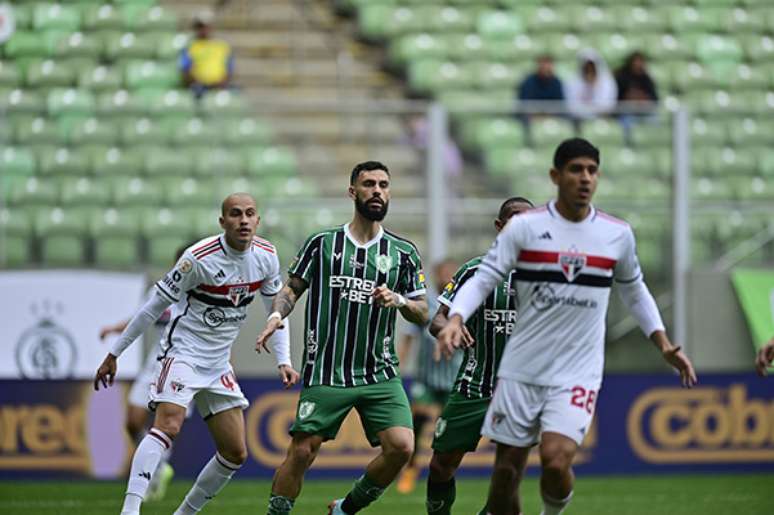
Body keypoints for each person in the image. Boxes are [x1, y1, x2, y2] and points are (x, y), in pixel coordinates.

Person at [437, 138, 697, 515]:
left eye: (592, 170)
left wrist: (663, 343)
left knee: (556, 462)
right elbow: (484, 277)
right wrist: (456, 317)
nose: (585, 178)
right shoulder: (525, 229)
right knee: (506, 474)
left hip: (577, 371)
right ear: (556, 176)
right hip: (521, 370)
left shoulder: (615, 234)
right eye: (576, 169)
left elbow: (635, 290)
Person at [94, 193, 300, 515]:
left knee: (235, 453)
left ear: (258, 221)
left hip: (219, 364)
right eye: (235, 214)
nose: (243, 220)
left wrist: (283, 360)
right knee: (168, 426)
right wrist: (114, 353)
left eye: (249, 214)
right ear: (223, 221)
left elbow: (276, 313)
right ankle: (130, 510)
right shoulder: (198, 258)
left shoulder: (266, 256)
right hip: (184, 353)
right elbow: (151, 310)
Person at [256, 161, 429, 515]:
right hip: (327, 369)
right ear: (353, 192)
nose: (377, 191)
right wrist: (276, 315)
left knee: (402, 447)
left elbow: (423, 311)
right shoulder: (323, 243)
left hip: (379, 371)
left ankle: (344, 510)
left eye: (383, 184)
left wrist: (397, 300)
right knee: (303, 450)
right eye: (369, 184)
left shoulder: (403, 253)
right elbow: (291, 288)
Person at [424, 196, 534, 515]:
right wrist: (449, 329)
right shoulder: (475, 270)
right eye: (515, 219)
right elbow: (438, 319)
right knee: (441, 465)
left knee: (508, 471)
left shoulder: (547, 275)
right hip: (474, 385)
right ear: (499, 226)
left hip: (520, 390)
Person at [98, 242, 195, 501]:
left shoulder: (206, 294)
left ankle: (153, 472)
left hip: (185, 366)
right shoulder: (162, 290)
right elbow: (140, 317)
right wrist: (113, 330)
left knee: (167, 424)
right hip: (154, 364)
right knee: (132, 422)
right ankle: (159, 466)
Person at [395, 259, 463, 494]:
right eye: (442, 273)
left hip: (454, 378)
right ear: (435, 276)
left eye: (449, 273)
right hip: (427, 377)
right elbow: (410, 336)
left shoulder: (464, 305)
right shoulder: (427, 305)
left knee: (450, 428)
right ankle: (411, 468)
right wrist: (399, 364)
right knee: (420, 419)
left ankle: (445, 470)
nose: (445, 277)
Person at [179, 11, 234, 97]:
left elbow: (229, 70)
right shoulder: (190, 47)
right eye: (200, 26)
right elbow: (185, 70)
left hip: (220, 86)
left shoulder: (222, 46)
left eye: (206, 26)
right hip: (199, 87)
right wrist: (198, 82)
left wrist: (221, 83)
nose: (204, 29)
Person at [614, 51, 659, 144]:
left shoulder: (646, 78)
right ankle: (628, 144)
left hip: (644, 112)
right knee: (626, 122)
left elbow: (655, 99)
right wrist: (629, 97)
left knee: (654, 120)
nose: (638, 64)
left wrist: (643, 98)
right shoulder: (622, 77)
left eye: (640, 62)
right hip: (626, 112)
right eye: (636, 61)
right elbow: (616, 98)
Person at [565, 49, 617, 121]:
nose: (589, 70)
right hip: (578, 120)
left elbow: (607, 106)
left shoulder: (607, 81)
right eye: (587, 67)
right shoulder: (573, 81)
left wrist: (594, 86)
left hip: (601, 119)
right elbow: (572, 105)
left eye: (591, 67)